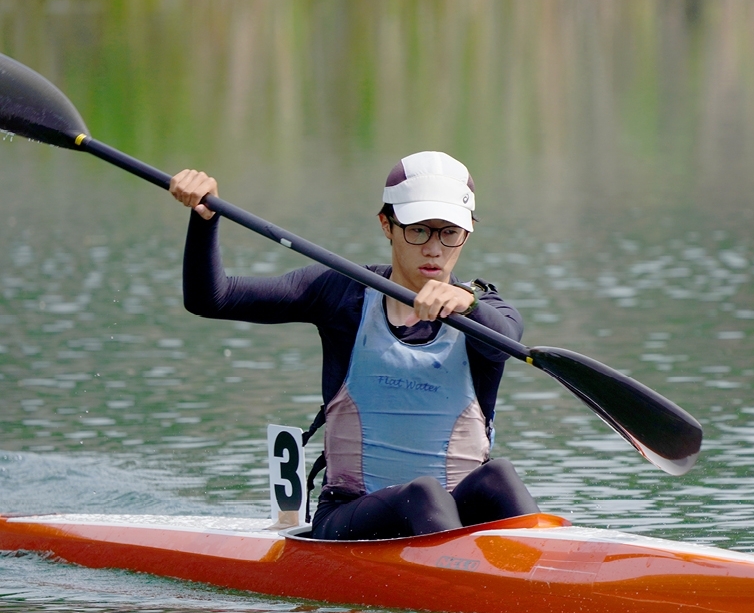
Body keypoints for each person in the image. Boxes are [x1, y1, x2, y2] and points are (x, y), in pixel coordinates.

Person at [169, 150, 539, 540]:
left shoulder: (486, 310)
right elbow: (212, 298)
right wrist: (205, 218)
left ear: (467, 231)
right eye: (418, 230)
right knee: (424, 494)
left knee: (499, 476)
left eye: (449, 232)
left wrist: (468, 303)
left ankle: (549, 572)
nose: (434, 249)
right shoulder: (340, 292)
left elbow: (502, 344)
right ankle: (472, 586)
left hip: (452, 519)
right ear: (387, 225)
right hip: (351, 515)